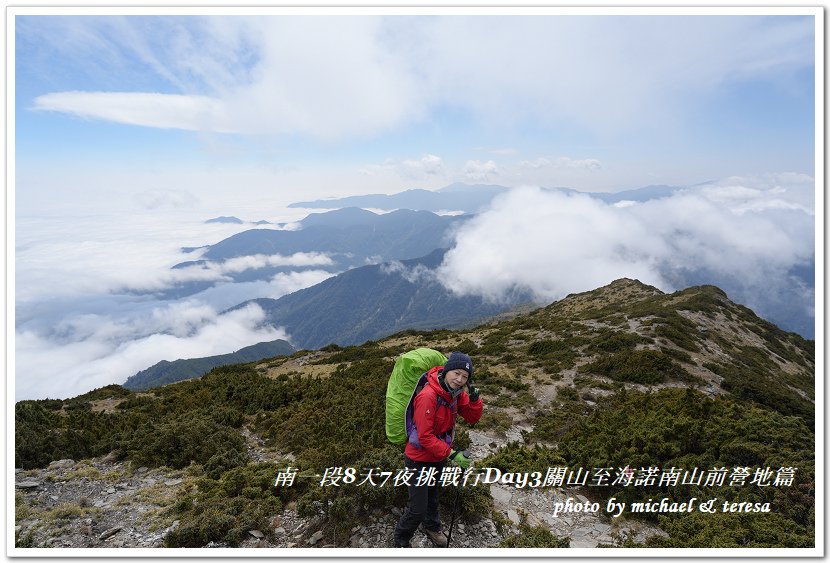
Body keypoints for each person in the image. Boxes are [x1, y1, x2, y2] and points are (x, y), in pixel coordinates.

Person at [393, 351, 483, 548]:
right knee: (417, 508)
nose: (460, 380)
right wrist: (452, 454)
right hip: (418, 459)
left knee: (433, 496)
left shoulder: (455, 394)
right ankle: (400, 539)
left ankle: (432, 527)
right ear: (447, 370)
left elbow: (472, 418)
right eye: (456, 373)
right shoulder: (428, 396)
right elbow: (424, 437)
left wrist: (475, 401)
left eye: (465, 377)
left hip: (437, 456)